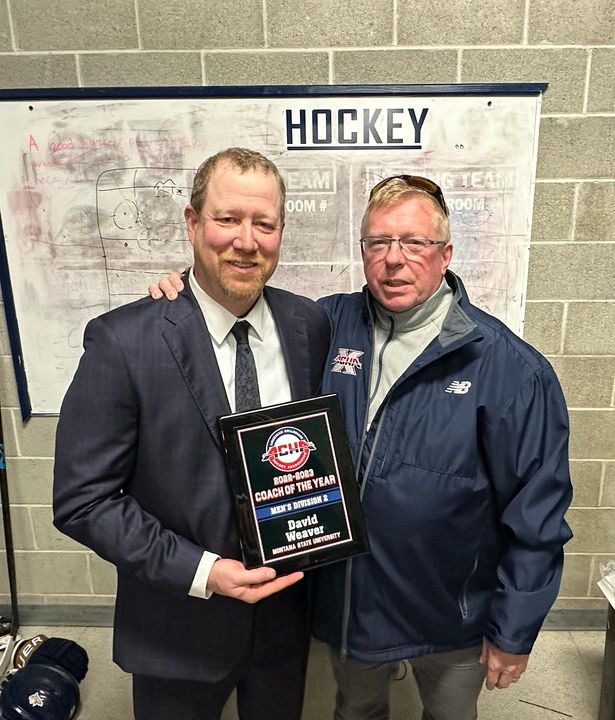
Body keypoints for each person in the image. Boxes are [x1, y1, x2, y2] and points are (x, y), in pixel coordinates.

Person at [151, 174, 573, 720]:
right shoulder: (326, 324)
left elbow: (537, 513)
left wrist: (515, 629)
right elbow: (236, 302)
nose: (394, 260)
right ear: (364, 252)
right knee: (356, 710)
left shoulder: (510, 369)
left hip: (450, 614)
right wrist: (181, 292)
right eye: (378, 243)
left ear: (445, 254)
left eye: (414, 243)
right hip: (349, 605)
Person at [53, 147, 331, 720]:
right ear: (192, 222)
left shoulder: (310, 324)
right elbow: (84, 501)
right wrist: (204, 572)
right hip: (177, 627)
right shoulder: (124, 341)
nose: (246, 241)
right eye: (227, 219)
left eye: (264, 223)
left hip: (284, 621)